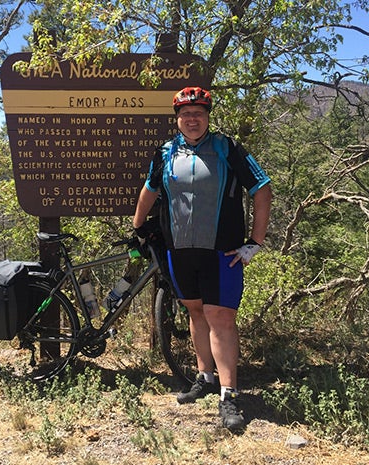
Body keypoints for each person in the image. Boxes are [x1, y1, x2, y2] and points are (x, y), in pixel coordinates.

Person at [132, 86, 272, 432]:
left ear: (207, 117)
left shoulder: (227, 148)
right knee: (195, 311)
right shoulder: (165, 152)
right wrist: (137, 227)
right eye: (185, 114)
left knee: (220, 317)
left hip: (221, 251)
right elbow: (150, 189)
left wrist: (255, 241)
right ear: (177, 119)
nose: (191, 119)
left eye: (198, 113)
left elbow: (263, 189)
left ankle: (229, 394)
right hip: (178, 250)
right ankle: (205, 377)